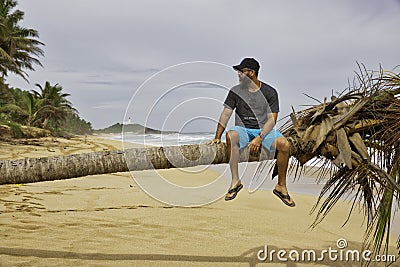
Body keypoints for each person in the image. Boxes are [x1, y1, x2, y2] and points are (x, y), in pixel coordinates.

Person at [208, 58, 295, 207]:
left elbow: (272, 119)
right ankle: (235, 181)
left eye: (242, 72)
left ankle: (281, 186)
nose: (239, 74)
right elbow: (226, 113)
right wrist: (217, 137)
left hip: (264, 130)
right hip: (243, 129)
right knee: (231, 136)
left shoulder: (269, 92)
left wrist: (259, 138)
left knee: (284, 145)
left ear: (252, 73)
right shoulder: (235, 91)